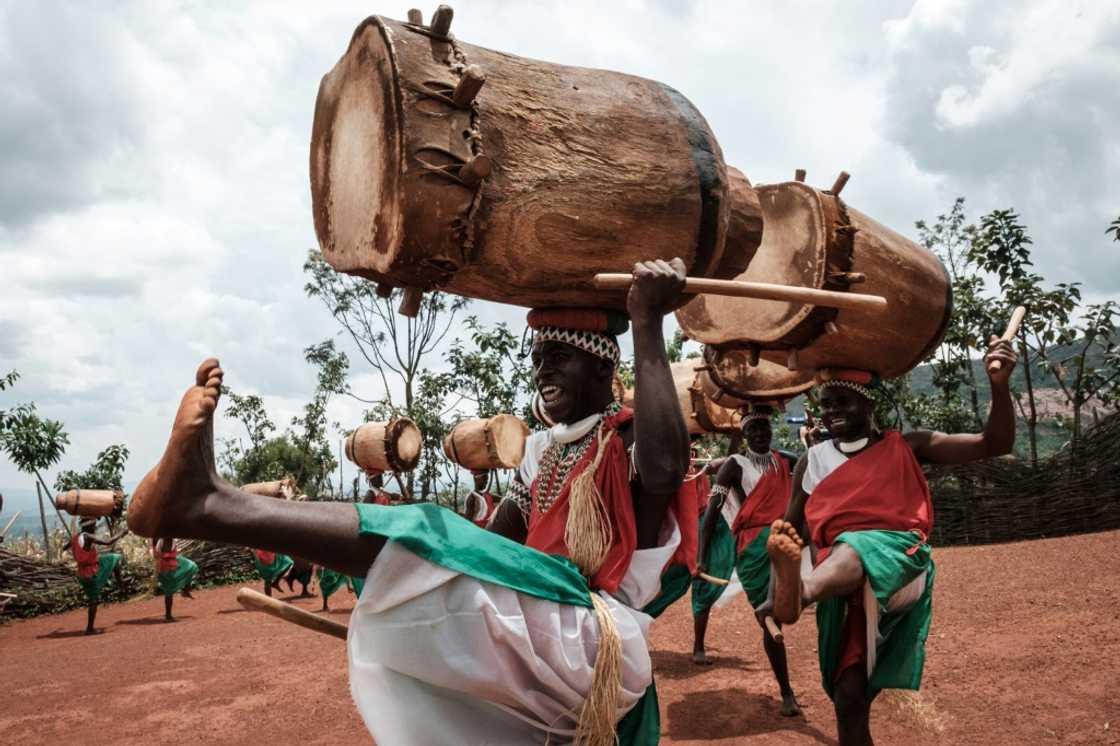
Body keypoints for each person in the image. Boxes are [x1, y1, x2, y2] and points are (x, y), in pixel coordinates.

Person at [126, 259, 689, 744]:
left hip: (595, 642)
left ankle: (209, 507)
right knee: (435, 545)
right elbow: (490, 550)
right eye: (538, 358)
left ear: (601, 366)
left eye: (559, 357)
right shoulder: (540, 453)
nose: (543, 372)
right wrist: (409, 603)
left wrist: (647, 323)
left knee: (428, 533)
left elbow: (668, 467)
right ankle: (208, 505)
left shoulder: (630, 440)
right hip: (544, 634)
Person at [763, 337, 1018, 746]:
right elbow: (788, 536)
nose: (832, 413)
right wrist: (776, 588)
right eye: (826, 405)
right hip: (839, 588)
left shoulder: (909, 446)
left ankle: (803, 590)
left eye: (842, 402)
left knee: (856, 542)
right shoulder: (811, 462)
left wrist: (1000, 385)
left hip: (897, 561)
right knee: (848, 699)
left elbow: (995, 444)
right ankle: (801, 591)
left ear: (870, 403)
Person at [694, 402, 801, 715]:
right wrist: (701, 558)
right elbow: (712, 512)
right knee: (768, 620)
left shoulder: (788, 461)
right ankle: (786, 692)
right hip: (754, 548)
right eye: (753, 429)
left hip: (787, 542)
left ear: (771, 430)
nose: (760, 434)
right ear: (745, 433)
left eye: (764, 428)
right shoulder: (734, 465)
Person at [62, 518, 127, 634]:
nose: (95, 528)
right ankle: (89, 628)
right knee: (93, 600)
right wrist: (121, 533)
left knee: (113, 558)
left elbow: (64, 547)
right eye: (93, 526)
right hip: (91, 573)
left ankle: (120, 585)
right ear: (88, 527)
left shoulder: (76, 537)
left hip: (81, 574)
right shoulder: (88, 537)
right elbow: (108, 542)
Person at [152, 536, 198, 621]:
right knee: (169, 591)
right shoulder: (163, 540)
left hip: (171, 563)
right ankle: (168, 616)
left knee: (192, 566)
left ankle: (185, 590)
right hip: (166, 567)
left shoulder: (169, 539)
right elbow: (161, 555)